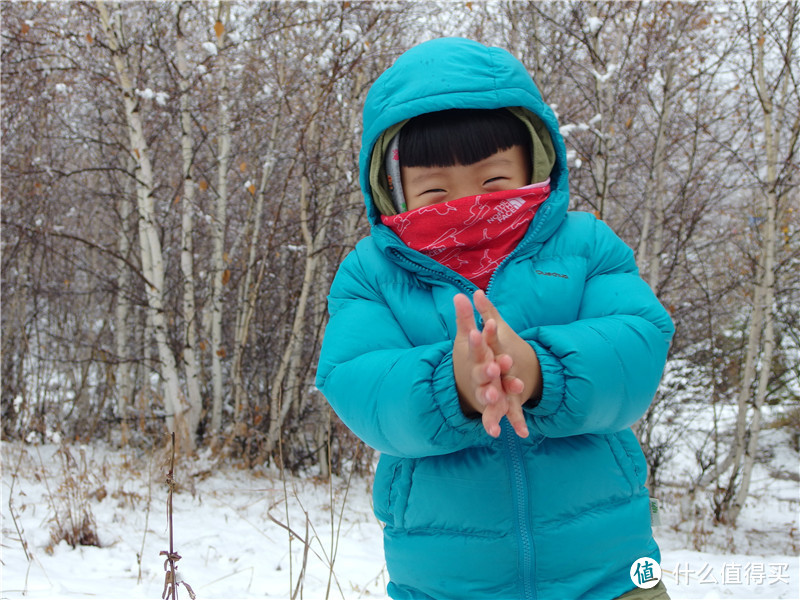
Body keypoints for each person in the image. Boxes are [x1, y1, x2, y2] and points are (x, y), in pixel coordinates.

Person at [315, 37, 674, 600]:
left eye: (494, 182)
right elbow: (359, 379)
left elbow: (637, 346)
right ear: (394, 190)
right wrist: (452, 384)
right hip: (446, 583)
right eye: (435, 190)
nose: (467, 205)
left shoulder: (584, 246)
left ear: (535, 162)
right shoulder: (372, 274)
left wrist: (534, 368)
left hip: (609, 574)